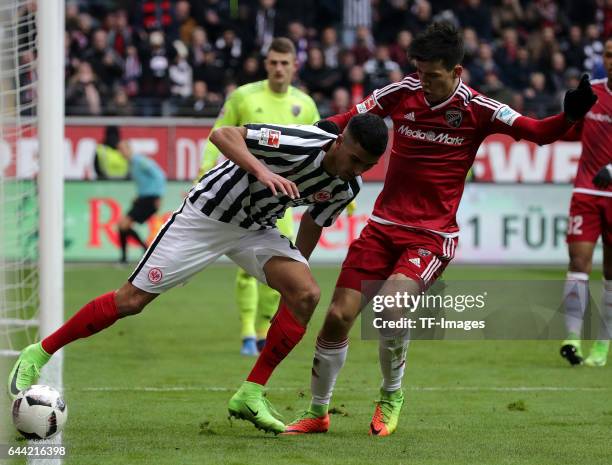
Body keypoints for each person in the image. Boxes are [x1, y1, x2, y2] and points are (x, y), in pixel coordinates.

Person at [282, 22, 598, 437]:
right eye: (420, 73)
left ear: (456, 72)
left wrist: (569, 115)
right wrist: (318, 131)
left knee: (392, 308)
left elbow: (536, 133)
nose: (424, 83)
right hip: (382, 227)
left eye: (433, 76)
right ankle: (318, 412)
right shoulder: (402, 92)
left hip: (431, 236)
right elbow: (349, 118)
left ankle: (391, 395)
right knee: (338, 317)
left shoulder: (480, 109)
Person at [8, 113, 389, 437]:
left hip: (255, 229)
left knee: (306, 293)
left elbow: (313, 222)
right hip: (205, 217)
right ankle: (38, 352)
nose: (356, 171)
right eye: (354, 159)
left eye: (365, 167)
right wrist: (262, 170)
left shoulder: (346, 186)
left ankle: (251, 393)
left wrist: (294, 274)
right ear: (340, 141)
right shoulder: (298, 141)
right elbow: (222, 134)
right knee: (131, 301)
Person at [198, 37, 320, 356]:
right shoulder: (244, 96)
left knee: (281, 269)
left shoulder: (305, 104)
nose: (278, 68)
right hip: (244, 194)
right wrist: (203, 172)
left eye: (284, 63)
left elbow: (322, 147)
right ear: (266, 64)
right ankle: (246, 333)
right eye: (273, 62)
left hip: (284, 199)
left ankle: (265, 329)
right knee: (245, 269)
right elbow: (218, 134)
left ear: (295, 66)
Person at [560, 37, 612, 367]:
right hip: (586, 193)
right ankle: (572, 339)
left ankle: (603, 347)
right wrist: (568, 111)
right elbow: (568, 131)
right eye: (608, 54)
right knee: (579, 264)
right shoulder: (592, 93)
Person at [116, 140, 166, 264]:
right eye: (119, 150)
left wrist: (158, 196)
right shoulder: (132, 163)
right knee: (122, 225)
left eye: (122, 149)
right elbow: (145, 181)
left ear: (129, 149)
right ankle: (142, 251)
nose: (120, 153)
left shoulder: (139, 161)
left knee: (124, 225)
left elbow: (159, 175)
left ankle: (128, 257)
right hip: (143, 198)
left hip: (150, 199)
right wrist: (138, 195)